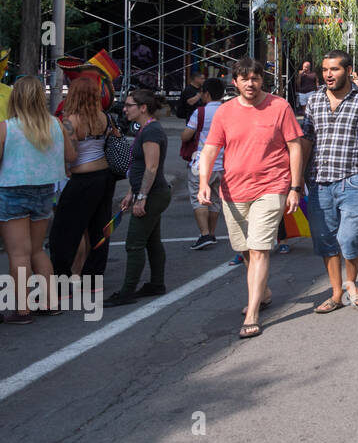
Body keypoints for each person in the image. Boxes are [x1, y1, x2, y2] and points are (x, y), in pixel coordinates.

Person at [198, 57, 306, 338]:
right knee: (245, 248)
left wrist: (295, 187)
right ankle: (264, 292)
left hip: (272, 186)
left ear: (262, 80)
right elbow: (210, 150)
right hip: (233, 190)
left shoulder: (279, 107)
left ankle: (253, 311)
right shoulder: (224, 112)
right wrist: (203, 183)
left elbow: (295, 147)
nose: (250, 83)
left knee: (259, 249)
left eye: (255, 78)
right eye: (244, 78)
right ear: (235, 82)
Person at [301, 51, 358, 314]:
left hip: (352, 178)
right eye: (325, 69)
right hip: (318, 181)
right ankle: (336, 292)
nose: (328, 74)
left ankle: (351, 282)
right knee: (325, 239)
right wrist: (296, 180)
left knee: (350, 236)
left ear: (348, 70)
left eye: (334, 69)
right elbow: (306, 139)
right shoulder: (314, 100)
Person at [0, 77, 75, 321]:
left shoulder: (7, 127)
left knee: (18, 254)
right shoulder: (55, 124)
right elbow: (71, 155)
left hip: (12, 191)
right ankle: (50, 302)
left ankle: (23, 309)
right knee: (38, 250)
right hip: (44, 191)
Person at [104, 89, 172, 307]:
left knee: (134, 244)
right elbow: (140, 167)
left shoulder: (151, 131)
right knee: (152, 241)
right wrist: (131, 192)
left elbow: (151, 167)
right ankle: (156, 283)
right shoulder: (147, 128)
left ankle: (127, 291)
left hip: (153, 194)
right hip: (151, 193)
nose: (124, 109)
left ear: (143, 108)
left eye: (129, 105)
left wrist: (141, 197)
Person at [48, 76, 116, 280]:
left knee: (63, 231)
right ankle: (93, 277)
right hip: (105, 177)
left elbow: (71, 156)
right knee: (99, 229)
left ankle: (62, 277)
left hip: (82, 179)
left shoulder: (71, 120)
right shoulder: (105, 117)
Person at [181, 78, 228, 250]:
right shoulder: (227, 111)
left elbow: (186, 135)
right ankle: (212, 233)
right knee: (215, 199)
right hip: (222, 163)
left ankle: (205, 233)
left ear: (206, 94)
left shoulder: (200, 113)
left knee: (198, 198)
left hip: (201, 163)